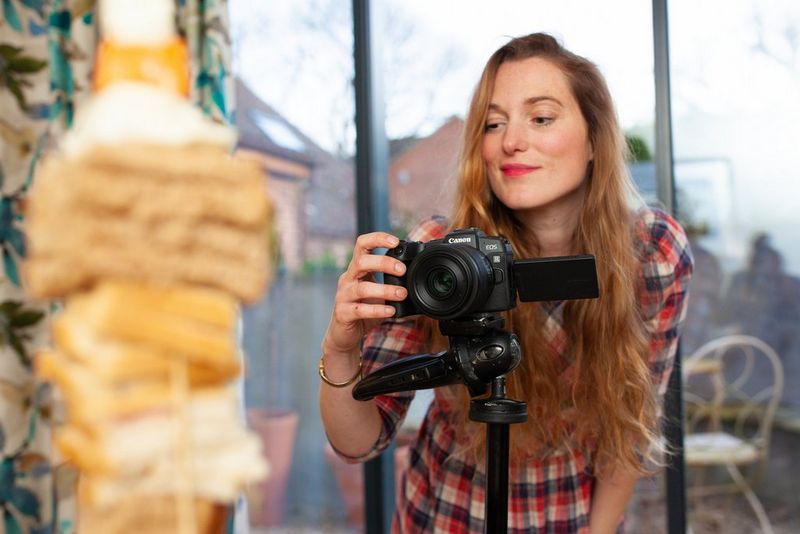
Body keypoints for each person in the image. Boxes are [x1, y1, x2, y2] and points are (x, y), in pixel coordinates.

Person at [319, 33, 693, 533]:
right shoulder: (440, 252)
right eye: (494, 124)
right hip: (447, 517)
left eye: (541, 118)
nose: (511, 141)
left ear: (594, 139)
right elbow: (358, 441)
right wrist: (340, 350)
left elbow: (629, 428)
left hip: (574, 519)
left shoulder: (654, 253)